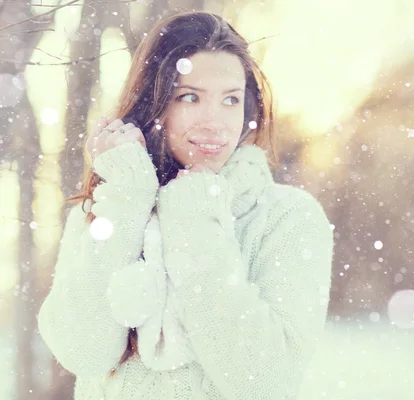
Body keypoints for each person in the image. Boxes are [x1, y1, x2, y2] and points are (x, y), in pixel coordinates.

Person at [37, 11, 334, 400]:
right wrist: (127, 201)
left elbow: (263, 380)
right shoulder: (109, 203)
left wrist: (194, 219)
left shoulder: (286, 216)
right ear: (154, 103)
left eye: (231, 99)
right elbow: (83, 352)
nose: (214, 122)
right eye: (190, 96)